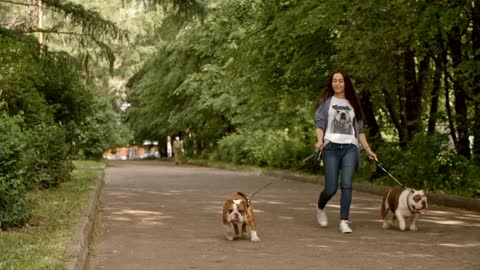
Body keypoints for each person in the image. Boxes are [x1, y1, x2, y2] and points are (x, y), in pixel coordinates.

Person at [314, 70, 377, 234]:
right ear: (331, 83)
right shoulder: (326, 103)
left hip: (350, 147)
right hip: (331, 148)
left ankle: (344, 220)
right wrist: (320, 141)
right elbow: (319, 125)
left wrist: (368, 150)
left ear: (346, 83)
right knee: (331, 188)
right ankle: (320, 207)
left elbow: (360, 130)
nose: (337, 83)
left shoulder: (353, 103)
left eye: (340, 81)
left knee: (347, 185)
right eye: (334, 80)